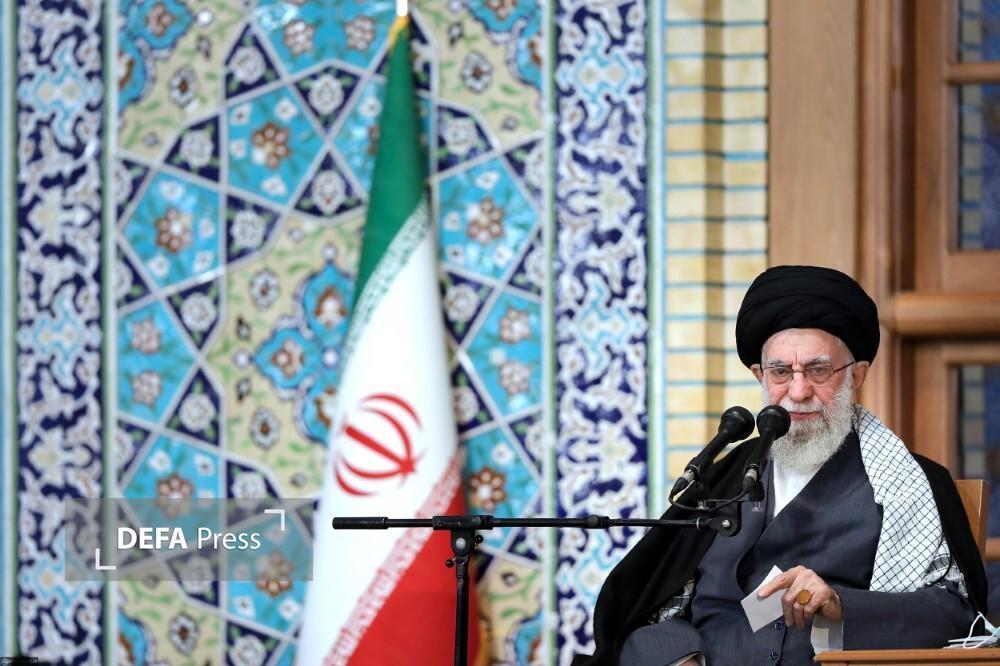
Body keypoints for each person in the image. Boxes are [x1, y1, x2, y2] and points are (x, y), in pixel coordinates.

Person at [573, 265, 987, 666]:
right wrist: (679, 658)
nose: (799, 391)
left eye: (818, 370)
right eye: (781, 371)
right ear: (760, 375)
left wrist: (843, 606)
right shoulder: (722, 480)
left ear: (857, 375)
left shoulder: (907, 484)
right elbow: (644, 611)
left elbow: (956, 615)